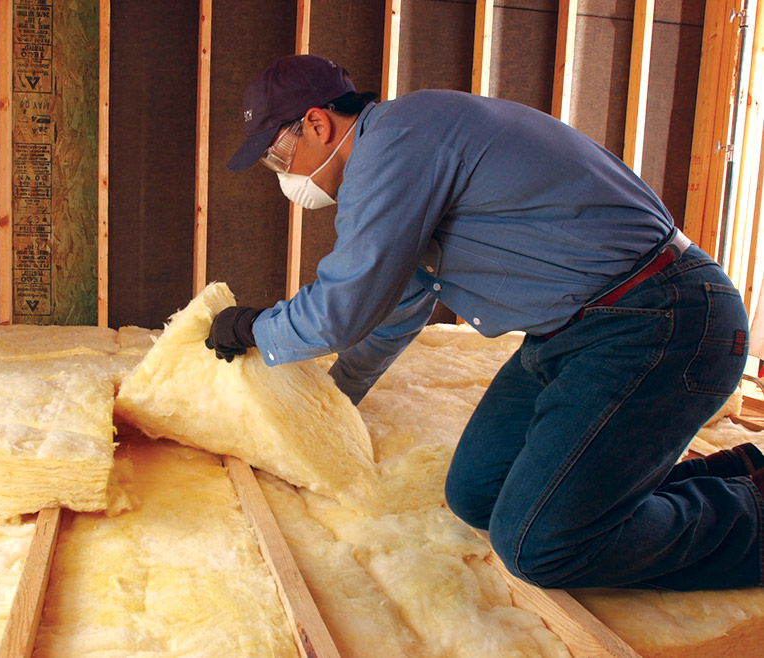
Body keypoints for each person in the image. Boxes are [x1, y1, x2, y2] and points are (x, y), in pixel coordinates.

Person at [204, 54, 763, 591]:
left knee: (538, 546)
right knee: (479, 494)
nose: (282, 175)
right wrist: (329, 404)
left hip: (662, 320)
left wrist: (253, 327)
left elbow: (338, 312)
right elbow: (396, 310)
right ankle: (736, 475)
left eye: (278, 157)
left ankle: (753, 517)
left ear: (317, 124)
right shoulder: (405, 144)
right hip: (578, 331)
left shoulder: (396, 145)